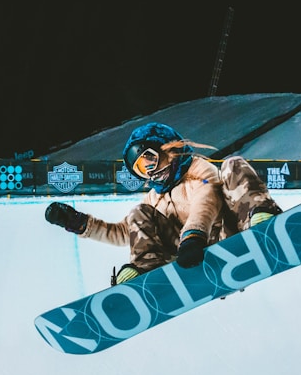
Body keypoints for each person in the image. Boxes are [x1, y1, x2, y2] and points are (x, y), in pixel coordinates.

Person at [44, 122, 282, 285]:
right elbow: (125, 233)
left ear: (169, 149)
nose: (150, 171)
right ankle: (147, 267)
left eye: (151, 158)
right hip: (190, 251)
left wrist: (193, 236)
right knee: (139, 213)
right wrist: (78, 223)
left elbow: (205, 202)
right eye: (140, 168)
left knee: (233, 165)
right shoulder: (153, 198)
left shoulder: (198, 169)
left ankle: (262, 220)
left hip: (226, 233)